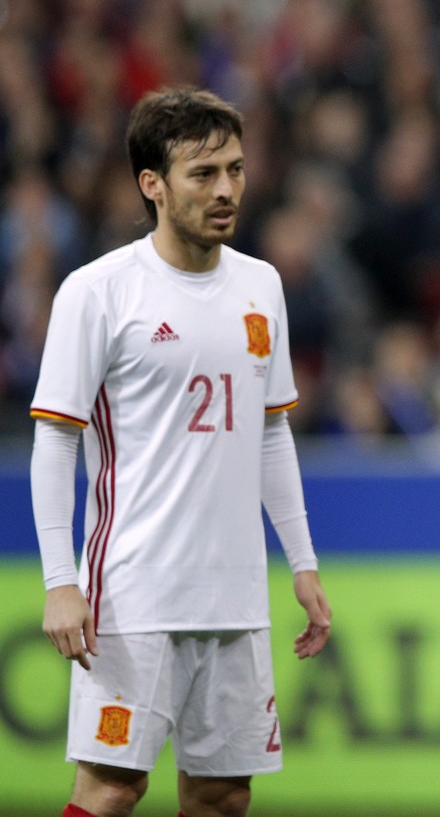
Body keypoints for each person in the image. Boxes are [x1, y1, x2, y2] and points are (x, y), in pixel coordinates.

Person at [29, 86, 333, 817]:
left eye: (234, 168)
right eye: (203, 174)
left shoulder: (261, 287)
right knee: (111, 787)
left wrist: (303, 563)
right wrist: (60, 580)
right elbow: (55, 436)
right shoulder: (98, 292)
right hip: (133, 592)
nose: (226, 189)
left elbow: (269, 432)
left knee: (223, 796)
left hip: (234, 594)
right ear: (153, 185)